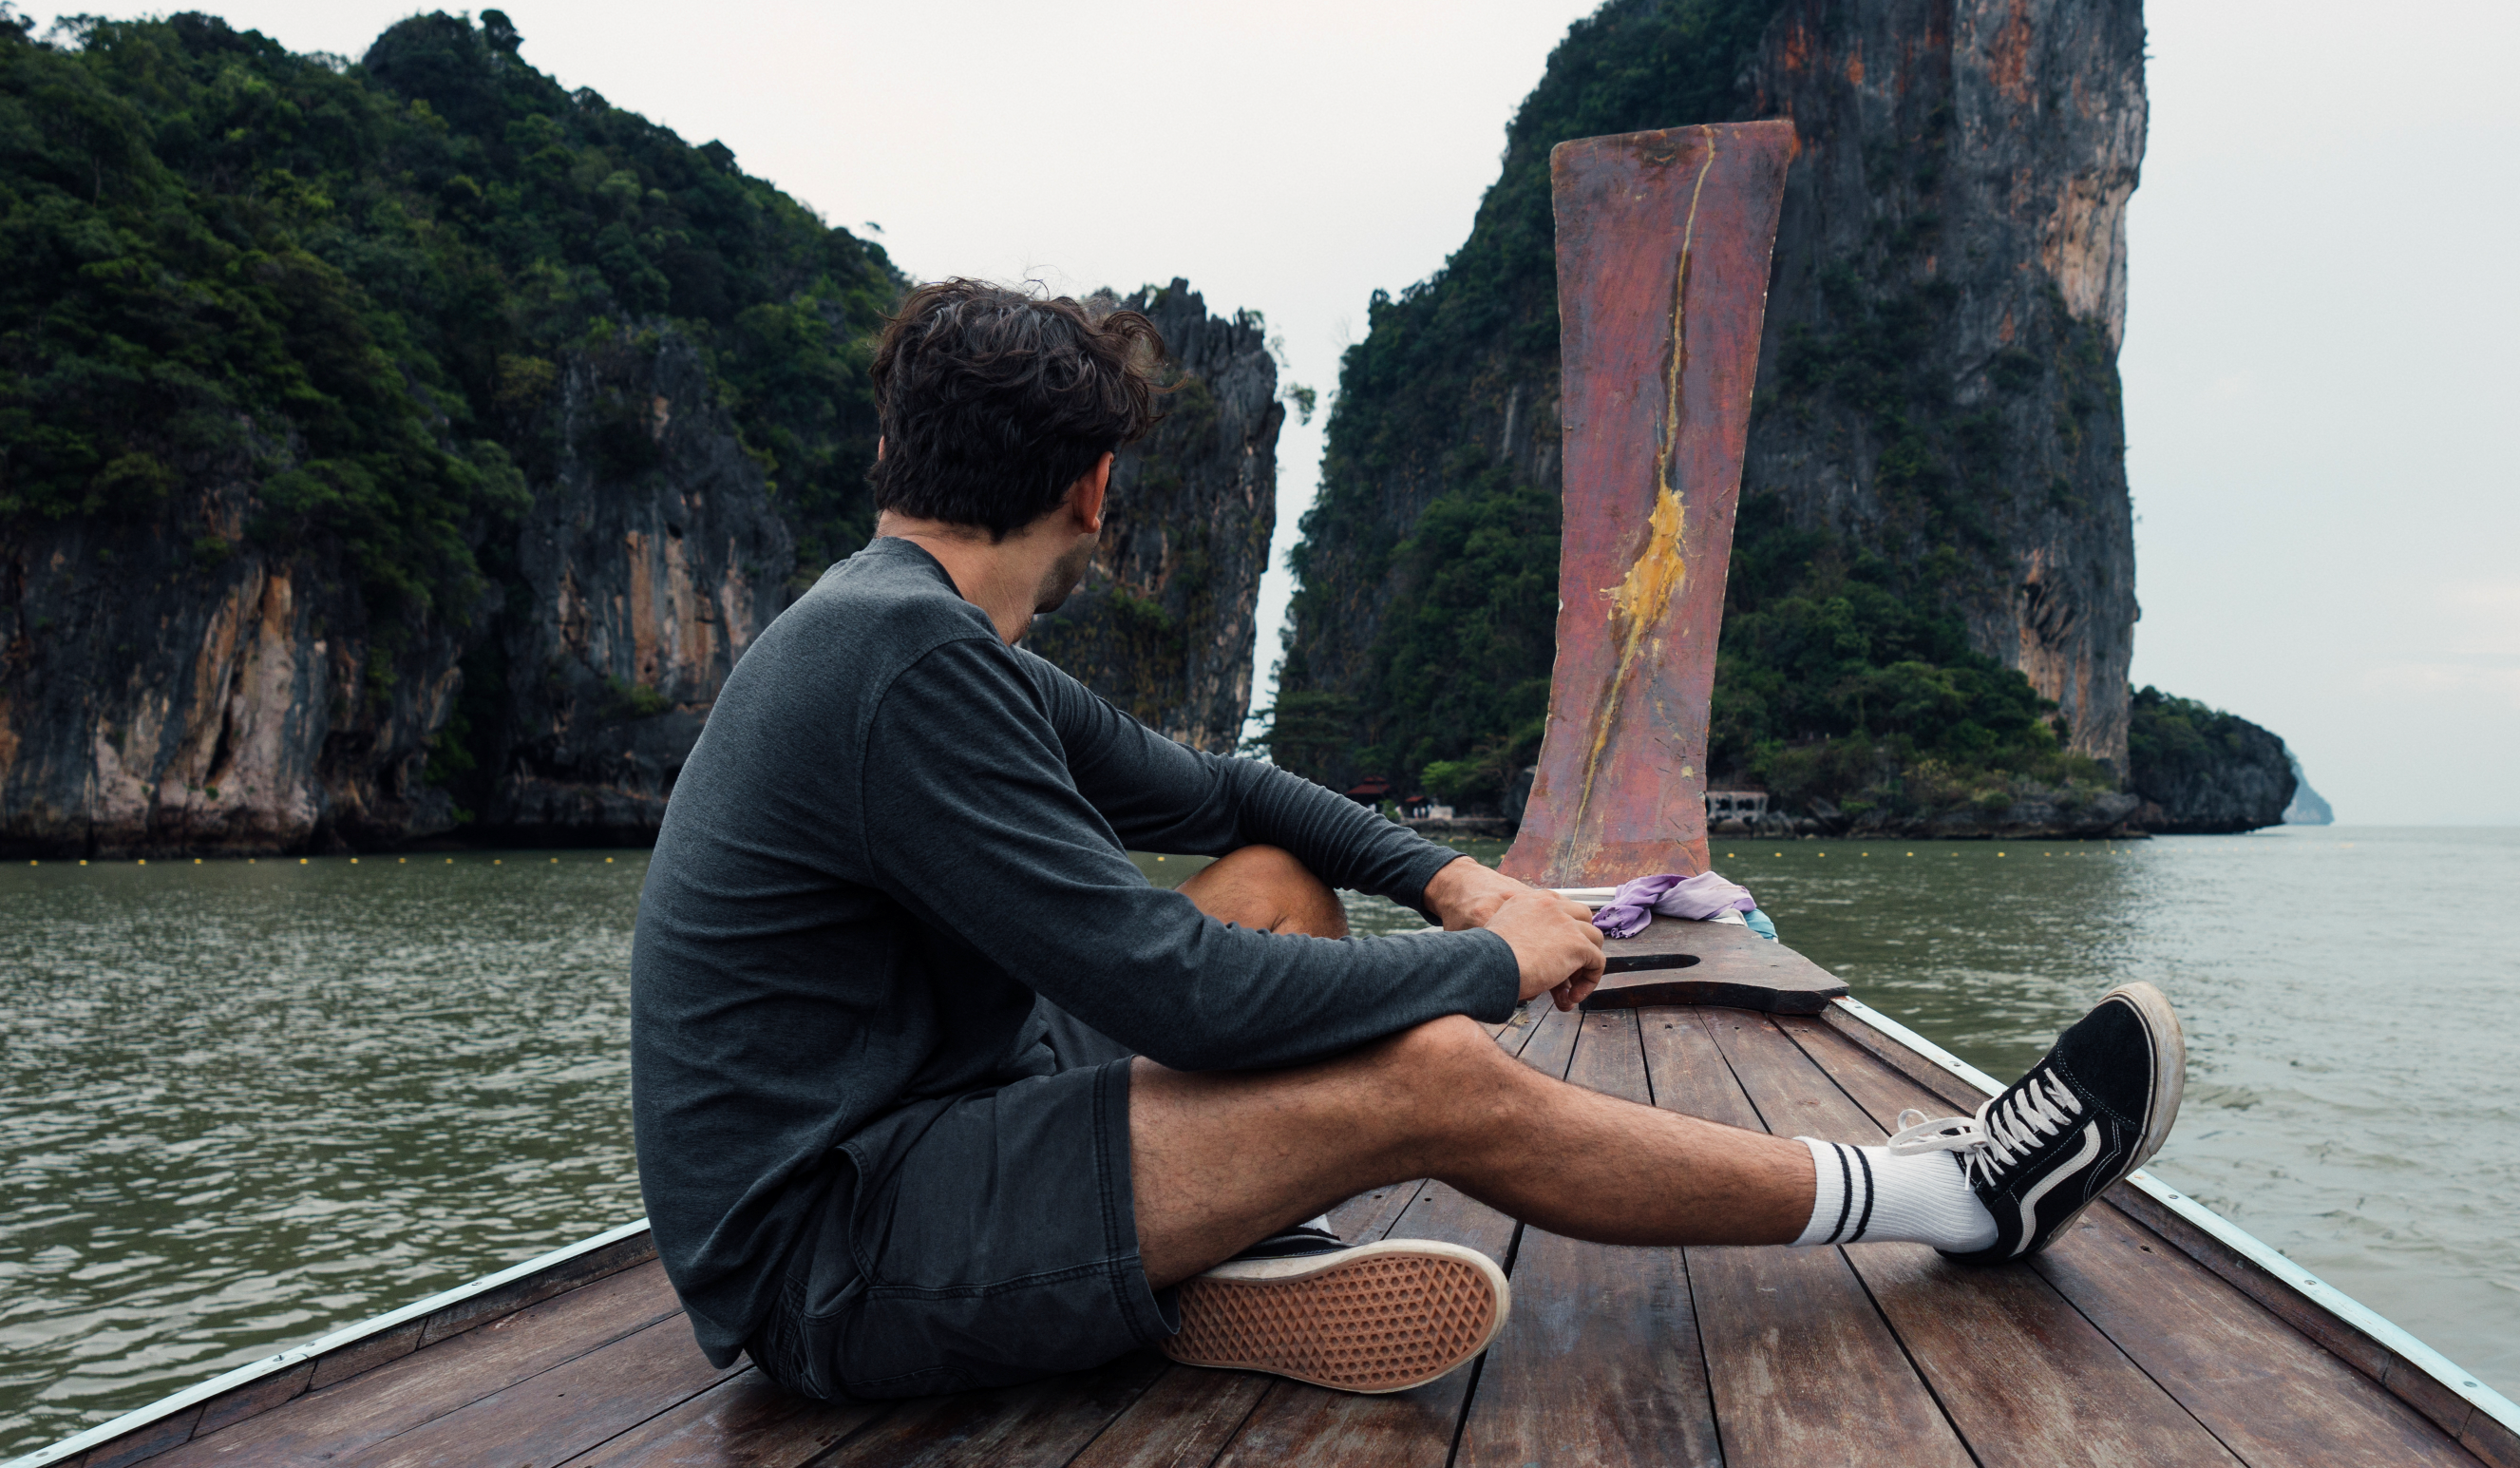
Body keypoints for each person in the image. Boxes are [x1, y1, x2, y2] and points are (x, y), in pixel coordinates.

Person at [630, 279, 2184, 1402]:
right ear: (1096, 488)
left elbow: (1237, 801)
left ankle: (1213, 1259)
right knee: (1435, 1073)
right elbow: (1172, 992)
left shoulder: (912, 637)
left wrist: (1456, 875)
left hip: (941, 1118)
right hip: (825, 1258)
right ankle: (1955, 1198)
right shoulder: (900, 668)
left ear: (900, 451)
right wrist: (1489, 960)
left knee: (1277, 883)